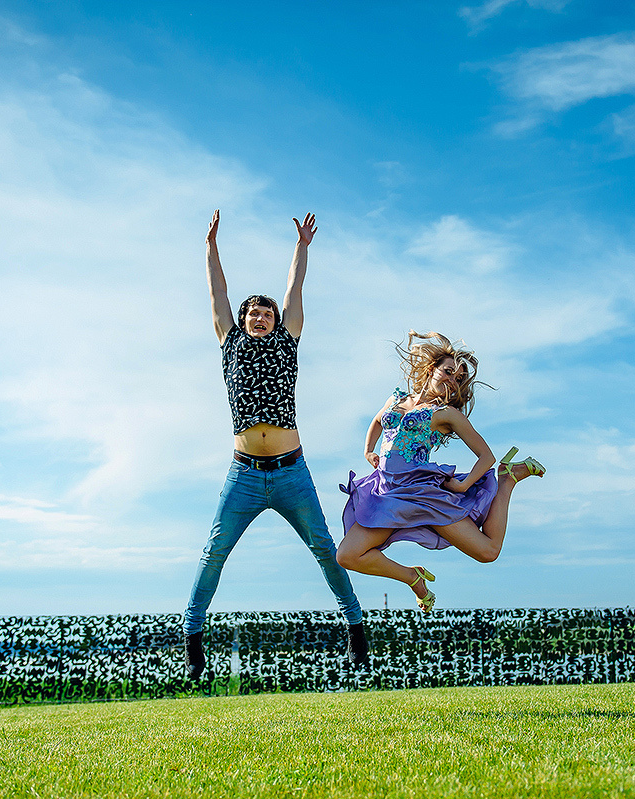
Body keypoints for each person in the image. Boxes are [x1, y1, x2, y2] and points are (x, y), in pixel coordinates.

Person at [183, 209, 368, 680]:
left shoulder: (288, 340)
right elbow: (217, 293)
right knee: (213, 552)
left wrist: (302, 248)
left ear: (276, 320)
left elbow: (294, 289)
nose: (259, 317)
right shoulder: (230, 343)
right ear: (243, 321)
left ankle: (356, 625)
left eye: (266, 312)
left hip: (291, 472)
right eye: (253, 313)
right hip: (243, 474)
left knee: (325, 548)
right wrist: (210, 248)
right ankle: (192, 635)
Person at [336, 331, 544, 612]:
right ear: (432, 369)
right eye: (448, 371)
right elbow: (376, 421)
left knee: (487, 551)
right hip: (385, 494)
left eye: (458, 379)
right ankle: (413, 577)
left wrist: (462, 486)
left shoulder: (446, 414)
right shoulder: (397, 399)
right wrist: (368, 450)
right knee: (347, 556)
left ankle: (507, 480)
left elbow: (486, 457)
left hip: (423, 495)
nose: (452, 380)